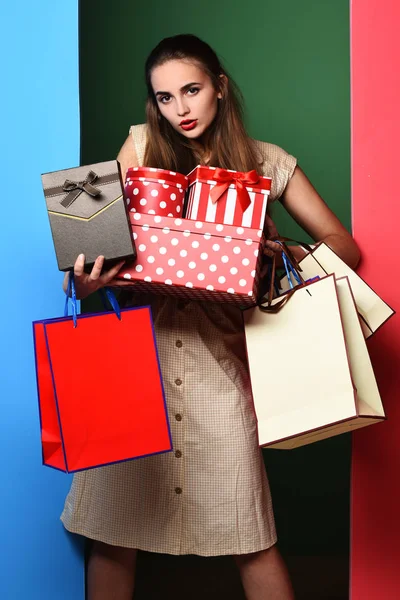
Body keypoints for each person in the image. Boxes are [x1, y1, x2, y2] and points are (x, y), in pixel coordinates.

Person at [61, 34, 360, 600]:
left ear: (219, 88)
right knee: (113, 536)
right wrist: (83, 279)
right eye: (166, 97)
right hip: (136, 367)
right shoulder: (142, 146)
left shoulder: (265, 160)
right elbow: (91, 244)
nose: (181, 109)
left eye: (192, 90)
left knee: (250, 534)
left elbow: (344, 246)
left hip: (220, 365)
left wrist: (283, 252)